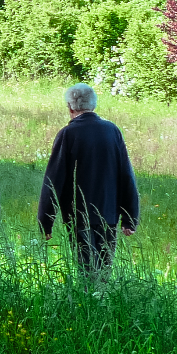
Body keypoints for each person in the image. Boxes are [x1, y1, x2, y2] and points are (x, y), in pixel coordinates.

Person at [38, 82, 140, 274]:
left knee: (85, 270)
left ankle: (89, 301)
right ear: (93, 105)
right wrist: (130, 217)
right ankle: (100, 302)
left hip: (79, 217)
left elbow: (53, 180)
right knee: (103, 271)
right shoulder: (112, 131)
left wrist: (46, 221)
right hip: (109, 215)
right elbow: (126, 174)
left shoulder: (68, 134)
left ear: (70, 107)